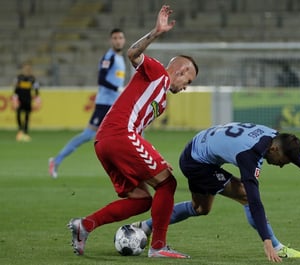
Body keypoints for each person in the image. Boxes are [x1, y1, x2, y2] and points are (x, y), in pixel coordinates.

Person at [67, 5, 199, 258]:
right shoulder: (157, 72)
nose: (186, 87)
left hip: (106, 142)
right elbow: (133, 52)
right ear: (181, 70)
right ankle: (158, 247)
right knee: (168, 184)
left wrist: (154, 158)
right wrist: (156, 32)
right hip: (118, 135)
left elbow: (137, 130)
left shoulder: (161, 101)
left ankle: (84, 226)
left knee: (141, 199)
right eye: (188, 81)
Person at [134, 122, 300, 262]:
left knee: (201, 208)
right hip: (196, 162)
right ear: (274, 149)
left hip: (199, 147)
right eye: (283, 161)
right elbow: (254, 199)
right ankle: (277, 246)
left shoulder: (278, 139)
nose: (284, 165)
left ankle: (144, 227)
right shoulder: (249, 155)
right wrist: (265, 240)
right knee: (245, 193)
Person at [48, 28, 126, 178]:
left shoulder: (120, 58)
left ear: (124, 40)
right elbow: (101, 80)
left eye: (120, 38)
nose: (118, 40)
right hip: (104, 104)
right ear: (111, 41)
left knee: (126, 133)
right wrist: (118, 88)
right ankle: (56, 160)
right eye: (115, 38)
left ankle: (129, 168)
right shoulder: (109, 57)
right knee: (88, 135)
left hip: (113, 104)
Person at [12, 61, 40, 142]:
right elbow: (15, 89)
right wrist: (15, 98)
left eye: (29, 68)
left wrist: (37, 98)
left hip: (28, 99)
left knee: (27, 115)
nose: (27, 70)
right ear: (23, 69)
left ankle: (25, 131)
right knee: (18, 114)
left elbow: (36, 89)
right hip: (20, 99)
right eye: (26, 68)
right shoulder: (19, 78)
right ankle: (20, 129)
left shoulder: (32, 79)